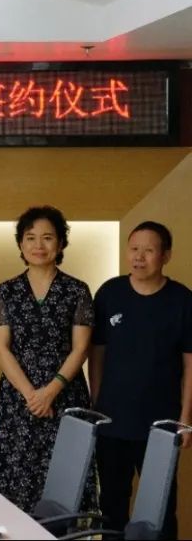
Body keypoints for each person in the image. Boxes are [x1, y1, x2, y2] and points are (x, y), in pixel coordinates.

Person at [0, 205, 97, 513]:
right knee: (16, 481)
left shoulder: (77, 290)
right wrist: (32, 395)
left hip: (66, 397)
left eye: (47, 238)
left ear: (60, 244)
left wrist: (50, 392)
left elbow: (81, 349)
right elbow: (1, 349)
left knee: (67, 483)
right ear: (20, 244)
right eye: (30, 237)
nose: (39, 245)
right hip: (18, 401)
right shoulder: (6, 291)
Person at [91, 221, 192, 538]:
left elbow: (190, 364)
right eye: (134, 249)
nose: (139, 257)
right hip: (111, 422)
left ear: (166, 255)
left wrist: (186, 419)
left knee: (159, 511)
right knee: (111, 506)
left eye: (149, 250)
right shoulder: (110, 293)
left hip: (161, 425)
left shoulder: (183, 300)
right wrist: (96, 403)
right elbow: (97, 353)